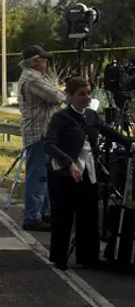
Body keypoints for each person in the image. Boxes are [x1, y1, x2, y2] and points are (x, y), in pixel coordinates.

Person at [43, 76, 135, 270]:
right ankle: (59, 256)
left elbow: (109, 132)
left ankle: (88, 257)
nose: (86, 97)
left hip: (88, 171)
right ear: (70, 96)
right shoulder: (61, 117)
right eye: (81, 94)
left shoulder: (92, 115)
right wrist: (69, 163)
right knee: (63, 216)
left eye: (88, 94)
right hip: (63, 173)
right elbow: (49, 144)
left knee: (89, 215)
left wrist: (130, 142)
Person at [17, 45, 66, 231]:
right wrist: (63, 92)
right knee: (37, 176)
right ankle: (32, 216)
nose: (46, 61)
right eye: (43, 58)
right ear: (35, 61)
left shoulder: (34, 77)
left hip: (43, 131)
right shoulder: (32, 77)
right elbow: (55, 97)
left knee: (44, 176)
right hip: (39, 132)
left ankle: (43, 213)